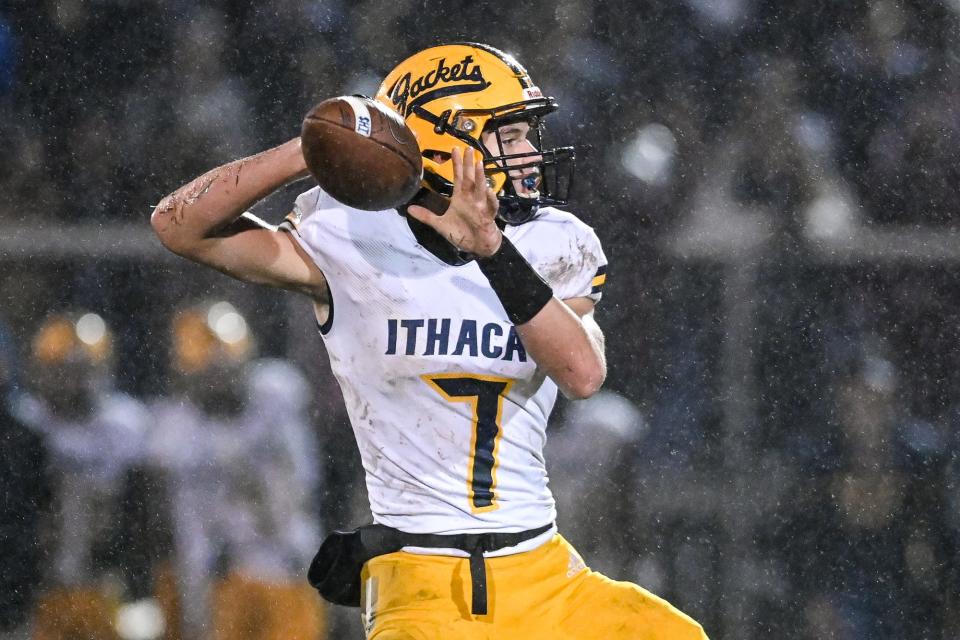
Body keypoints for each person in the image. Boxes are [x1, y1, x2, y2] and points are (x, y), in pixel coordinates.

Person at [151, 42, 707, 639]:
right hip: (421, 581)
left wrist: (491, 248)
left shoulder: (555, 241)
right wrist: (311, 149)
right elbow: (178, 225)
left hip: (544, 572)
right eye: (511, 135)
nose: (530, 153)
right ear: (452, 142)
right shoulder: (346, 235)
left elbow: (583, 375)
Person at [147, 302, 326, 640]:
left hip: (286, 566)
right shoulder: (176, 430)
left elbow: (301, 486)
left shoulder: (274, 396)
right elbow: (183, 524)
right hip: (221, 577)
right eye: (205, 360)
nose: (216, 371)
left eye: (223, 357)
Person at [20, 311, 150, 640]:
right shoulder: (25, 423)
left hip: (105, 582)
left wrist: (139, 580)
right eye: (63, 371)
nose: (73, 382)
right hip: (40, 586)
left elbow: (144, 512)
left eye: (82, 371)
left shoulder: (127, 424)